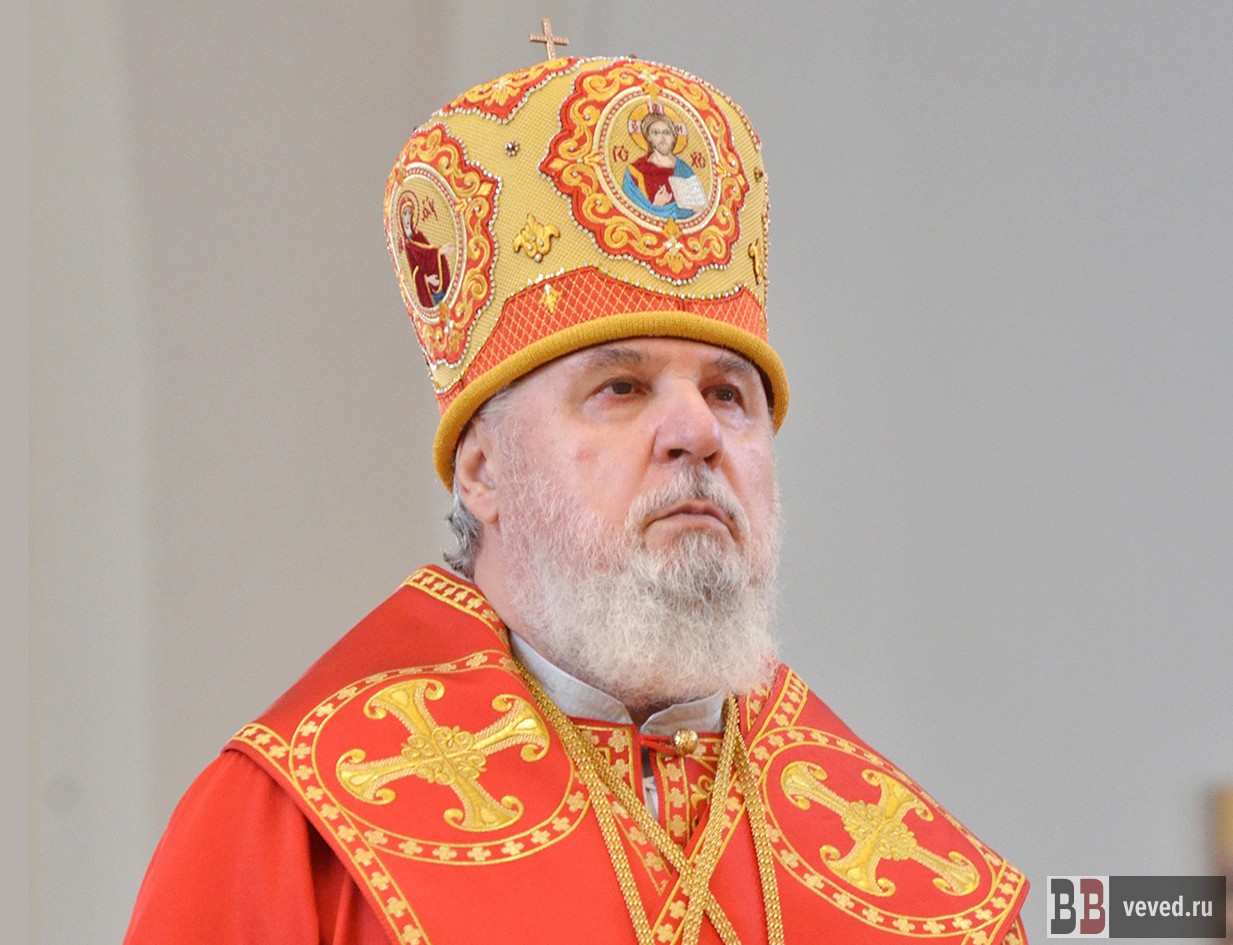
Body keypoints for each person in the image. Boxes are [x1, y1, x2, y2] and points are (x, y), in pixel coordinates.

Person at [123, 40, 1028, 945]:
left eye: (728, 394)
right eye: (621, 388)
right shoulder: (291, 841)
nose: (697, 431)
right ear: (483, 472)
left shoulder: (931, 903)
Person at [622, 110, 704, 219]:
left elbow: (698, 208)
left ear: (674, 137)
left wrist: (697, 209)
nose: (662, 139)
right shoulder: (635, 171)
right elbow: (629, 210)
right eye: (656, 133)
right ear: (648, 137)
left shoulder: (684, 170)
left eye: (667, 133)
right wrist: (656, 205)